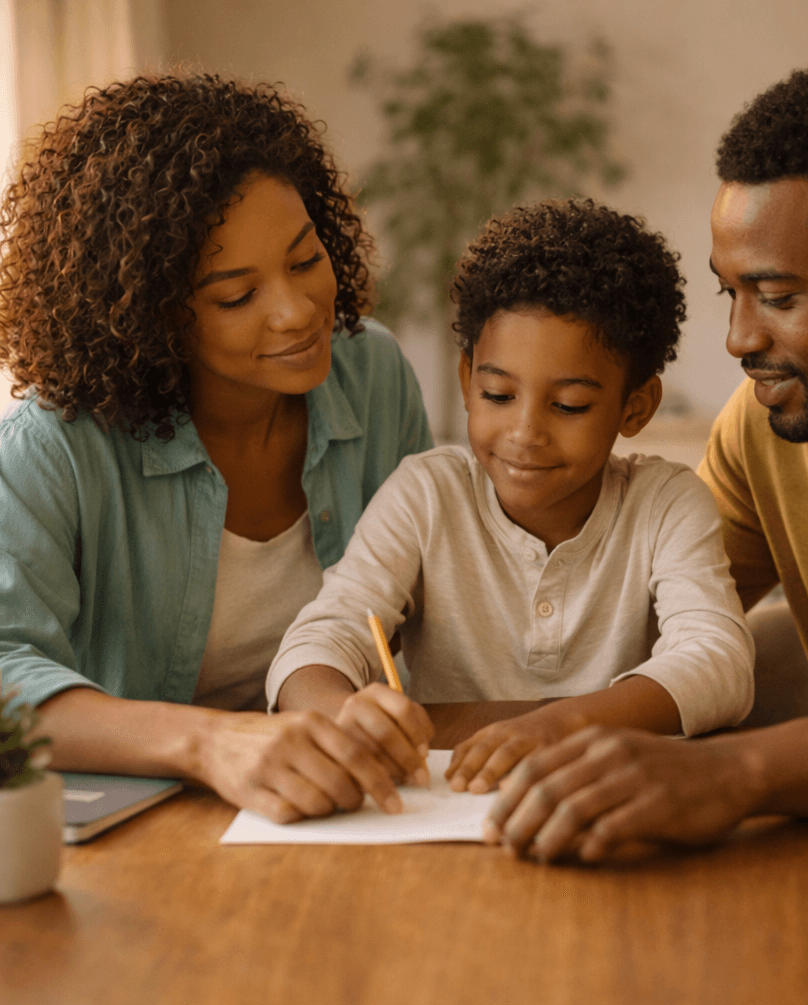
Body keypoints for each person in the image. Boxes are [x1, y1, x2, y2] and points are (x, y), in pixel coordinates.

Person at [483, 57, 808, 862]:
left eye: (776, 298)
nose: (739, 339)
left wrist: (729, 774)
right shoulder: (767, 425)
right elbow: (640, 632)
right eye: (728, 293)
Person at [0, 74, 435, 824]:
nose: (298, 313)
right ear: (145, 314)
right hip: (145, 836)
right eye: (236, 297)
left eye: (305, 261)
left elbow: (421, 602)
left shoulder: (373, 375)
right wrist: (212, 744)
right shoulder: (54, 444)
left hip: (340, 811)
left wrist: (365, 709)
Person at [269, 198, 755, 793]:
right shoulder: (428, 494)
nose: (525, 434)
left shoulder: (665, 503)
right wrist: (340, 713)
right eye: (499, 395)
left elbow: (720, 662)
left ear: (637, 407)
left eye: (570, 406)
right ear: (467, 381)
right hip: (445, 801)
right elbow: (321, 638)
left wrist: (561, 724)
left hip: (600, 797)